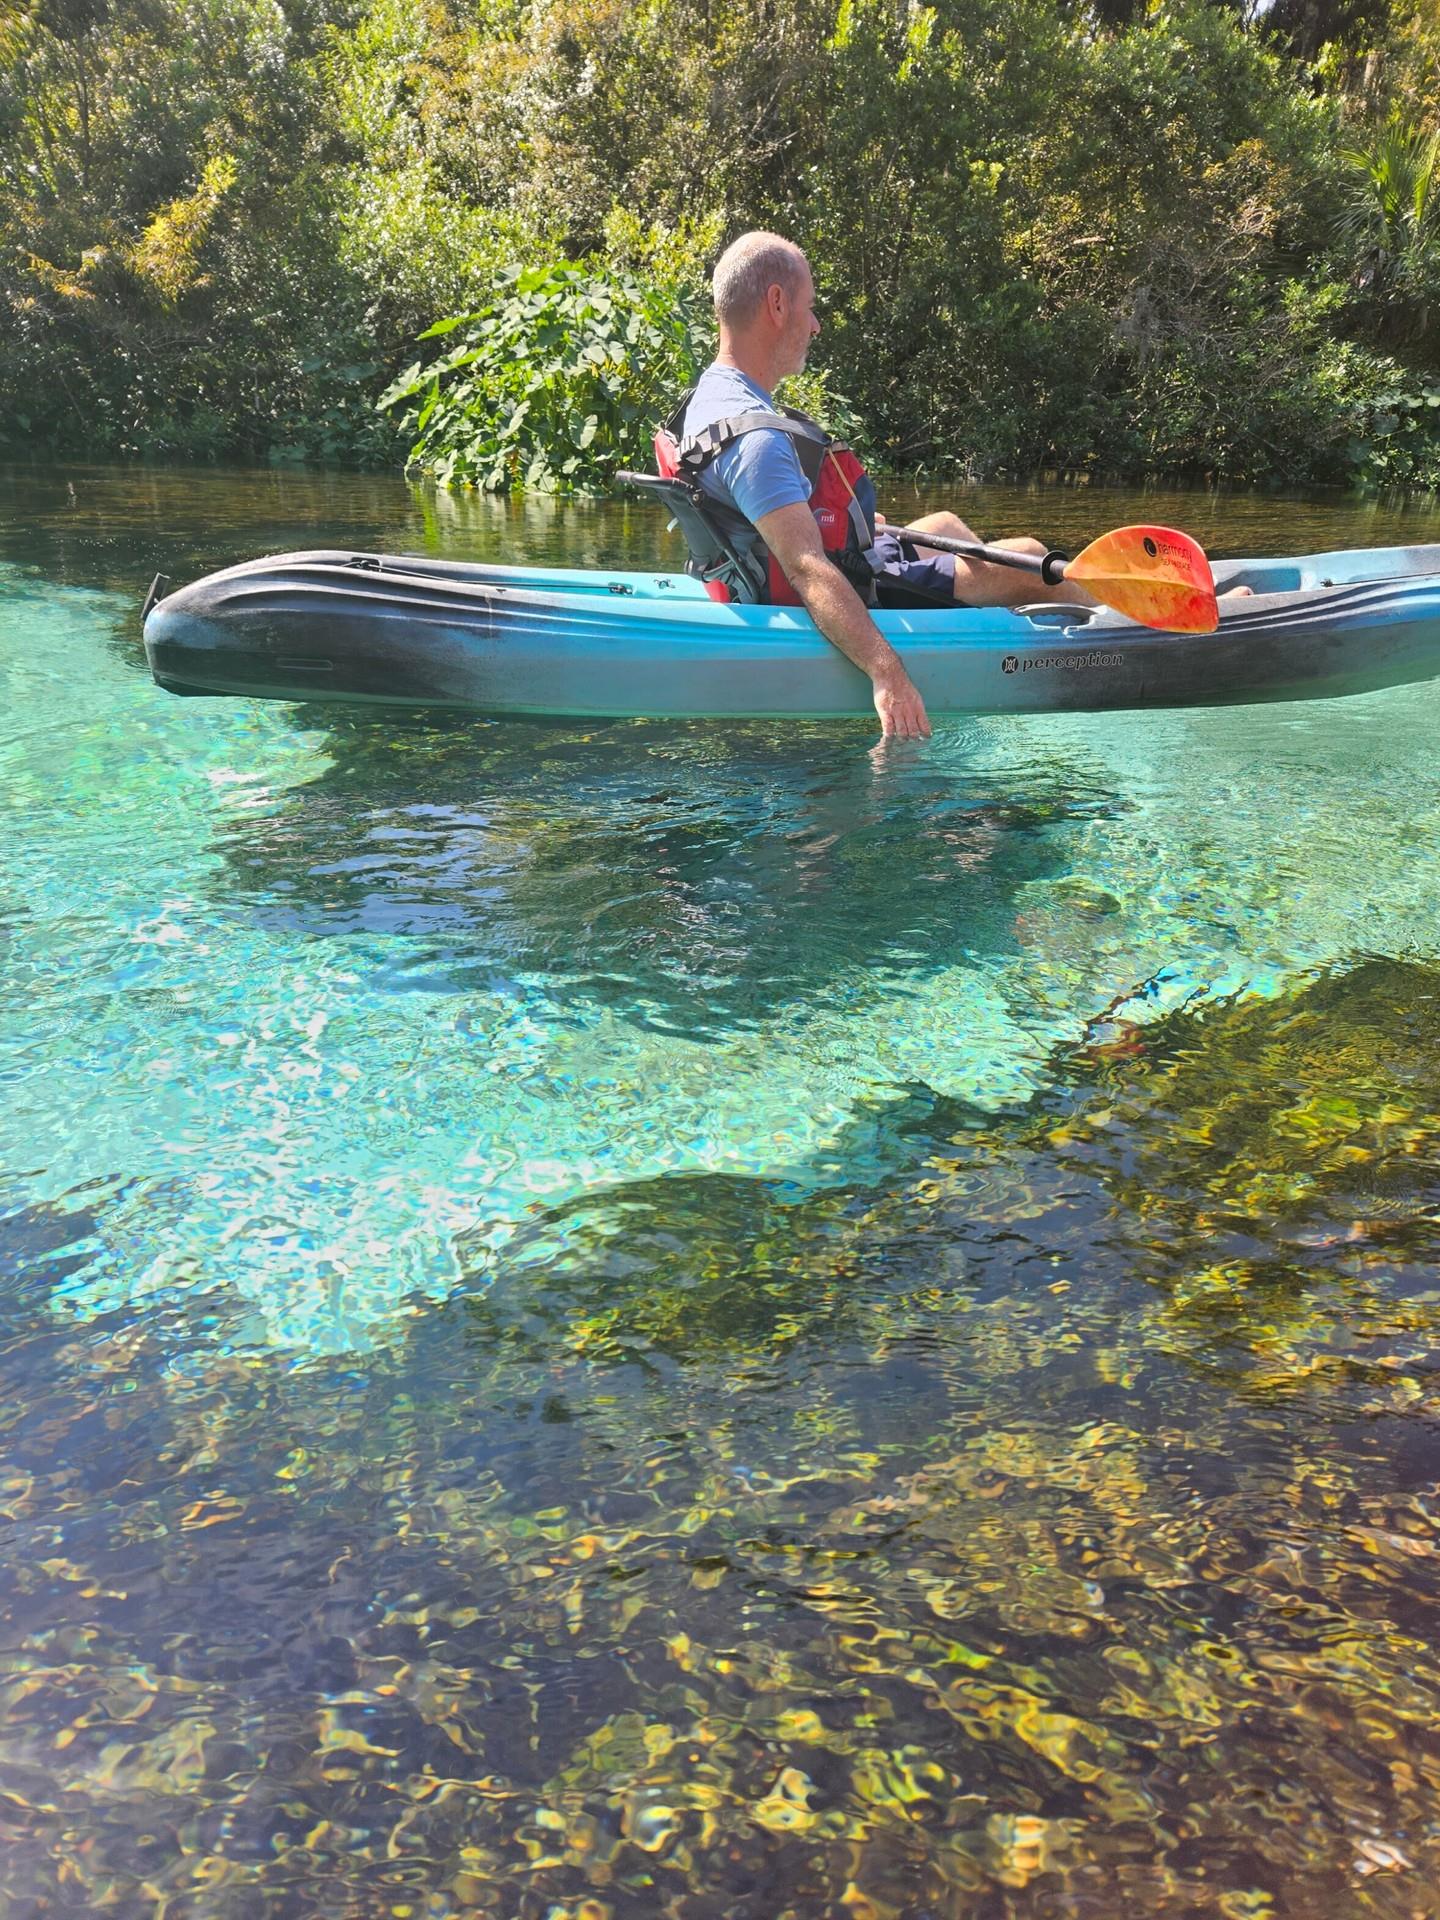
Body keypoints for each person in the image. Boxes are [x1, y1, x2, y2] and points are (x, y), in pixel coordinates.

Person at [679, 231, 1104, 741]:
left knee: (943, 522)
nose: (814, 325)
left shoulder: (707, 397)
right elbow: (807, 570)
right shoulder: (757, 440)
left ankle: (985, 609)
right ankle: (1121, 631)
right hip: (846, 587)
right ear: (776, 303)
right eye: (810, 308)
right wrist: (888, 675)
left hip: (775, 566)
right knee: (1030, 559)